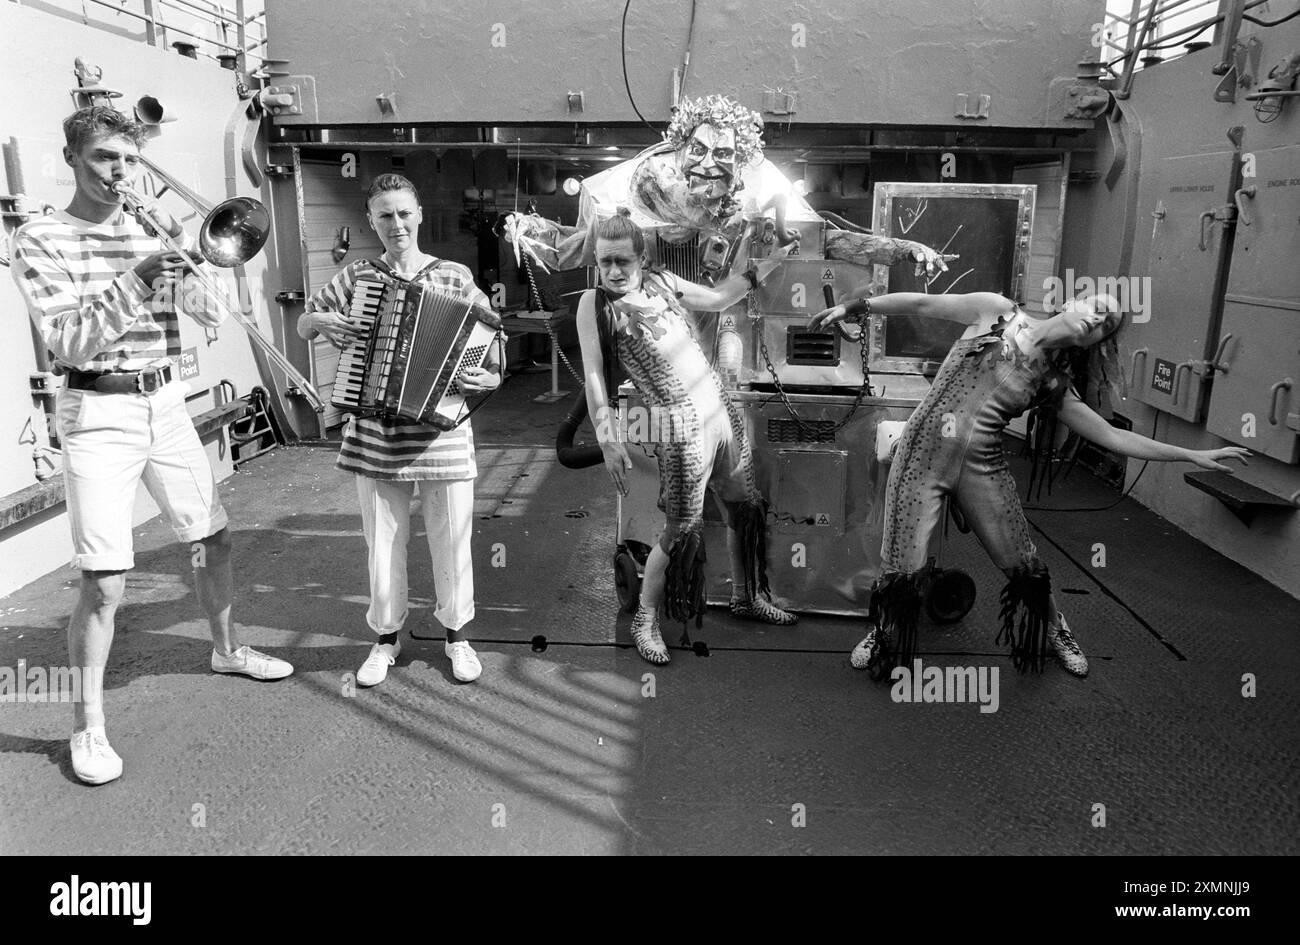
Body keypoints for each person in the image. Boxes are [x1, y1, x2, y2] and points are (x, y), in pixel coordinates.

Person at [9, 106, 293, 786]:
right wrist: (138, 276)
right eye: (107, 158)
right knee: (105, 582)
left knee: (213, 536)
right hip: (97, 408)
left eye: (130, 160)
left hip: (164, 403)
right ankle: (86, 726)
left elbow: (204, 317)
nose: (121, 172)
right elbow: (70, 342)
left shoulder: (146, 225)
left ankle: (226, 647)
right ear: (74, 158)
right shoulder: (41, 237)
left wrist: (195, 269)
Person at [809, 290, 1249, 678]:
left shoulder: (1052, 381)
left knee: (1022, 562)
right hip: (921, 455)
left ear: (1094, 341)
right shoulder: (995, 312)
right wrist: (857, 307)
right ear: (1072, 301)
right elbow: (923, 303)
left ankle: (1057, 629)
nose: (1097, 320)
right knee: (902, 567)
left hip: (981, 466)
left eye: (1106, 325)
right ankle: (885, 632)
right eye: (1098, 308)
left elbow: (1114, 436)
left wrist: (1192, 454)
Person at [298, 174, 500, 688]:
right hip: (375, 435)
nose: (396, 224)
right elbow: (304, 321)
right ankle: (385, 639)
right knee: (381, 543)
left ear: (420, 214)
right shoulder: (357, 277)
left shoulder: (454, 276)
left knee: (453, 540)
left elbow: (492, 343)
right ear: (371, 221)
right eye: (385, 215)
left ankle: (457, 637)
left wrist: (489, 374)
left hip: (443, 433)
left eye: (404, 213)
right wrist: (322, 324)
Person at [577, 208, 800, 665]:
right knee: (681, 529)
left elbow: (720, 298)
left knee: (745, 511)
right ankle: (645, 617)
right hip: (680, 429)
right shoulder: (595, 304)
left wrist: (773, 261)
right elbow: (594, 375)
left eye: (622, 261)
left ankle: (746, 596)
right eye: (605, 263)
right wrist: (607, 438)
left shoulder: (661, 283)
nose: (614, 272)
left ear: (642, 258)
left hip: (719, 415)